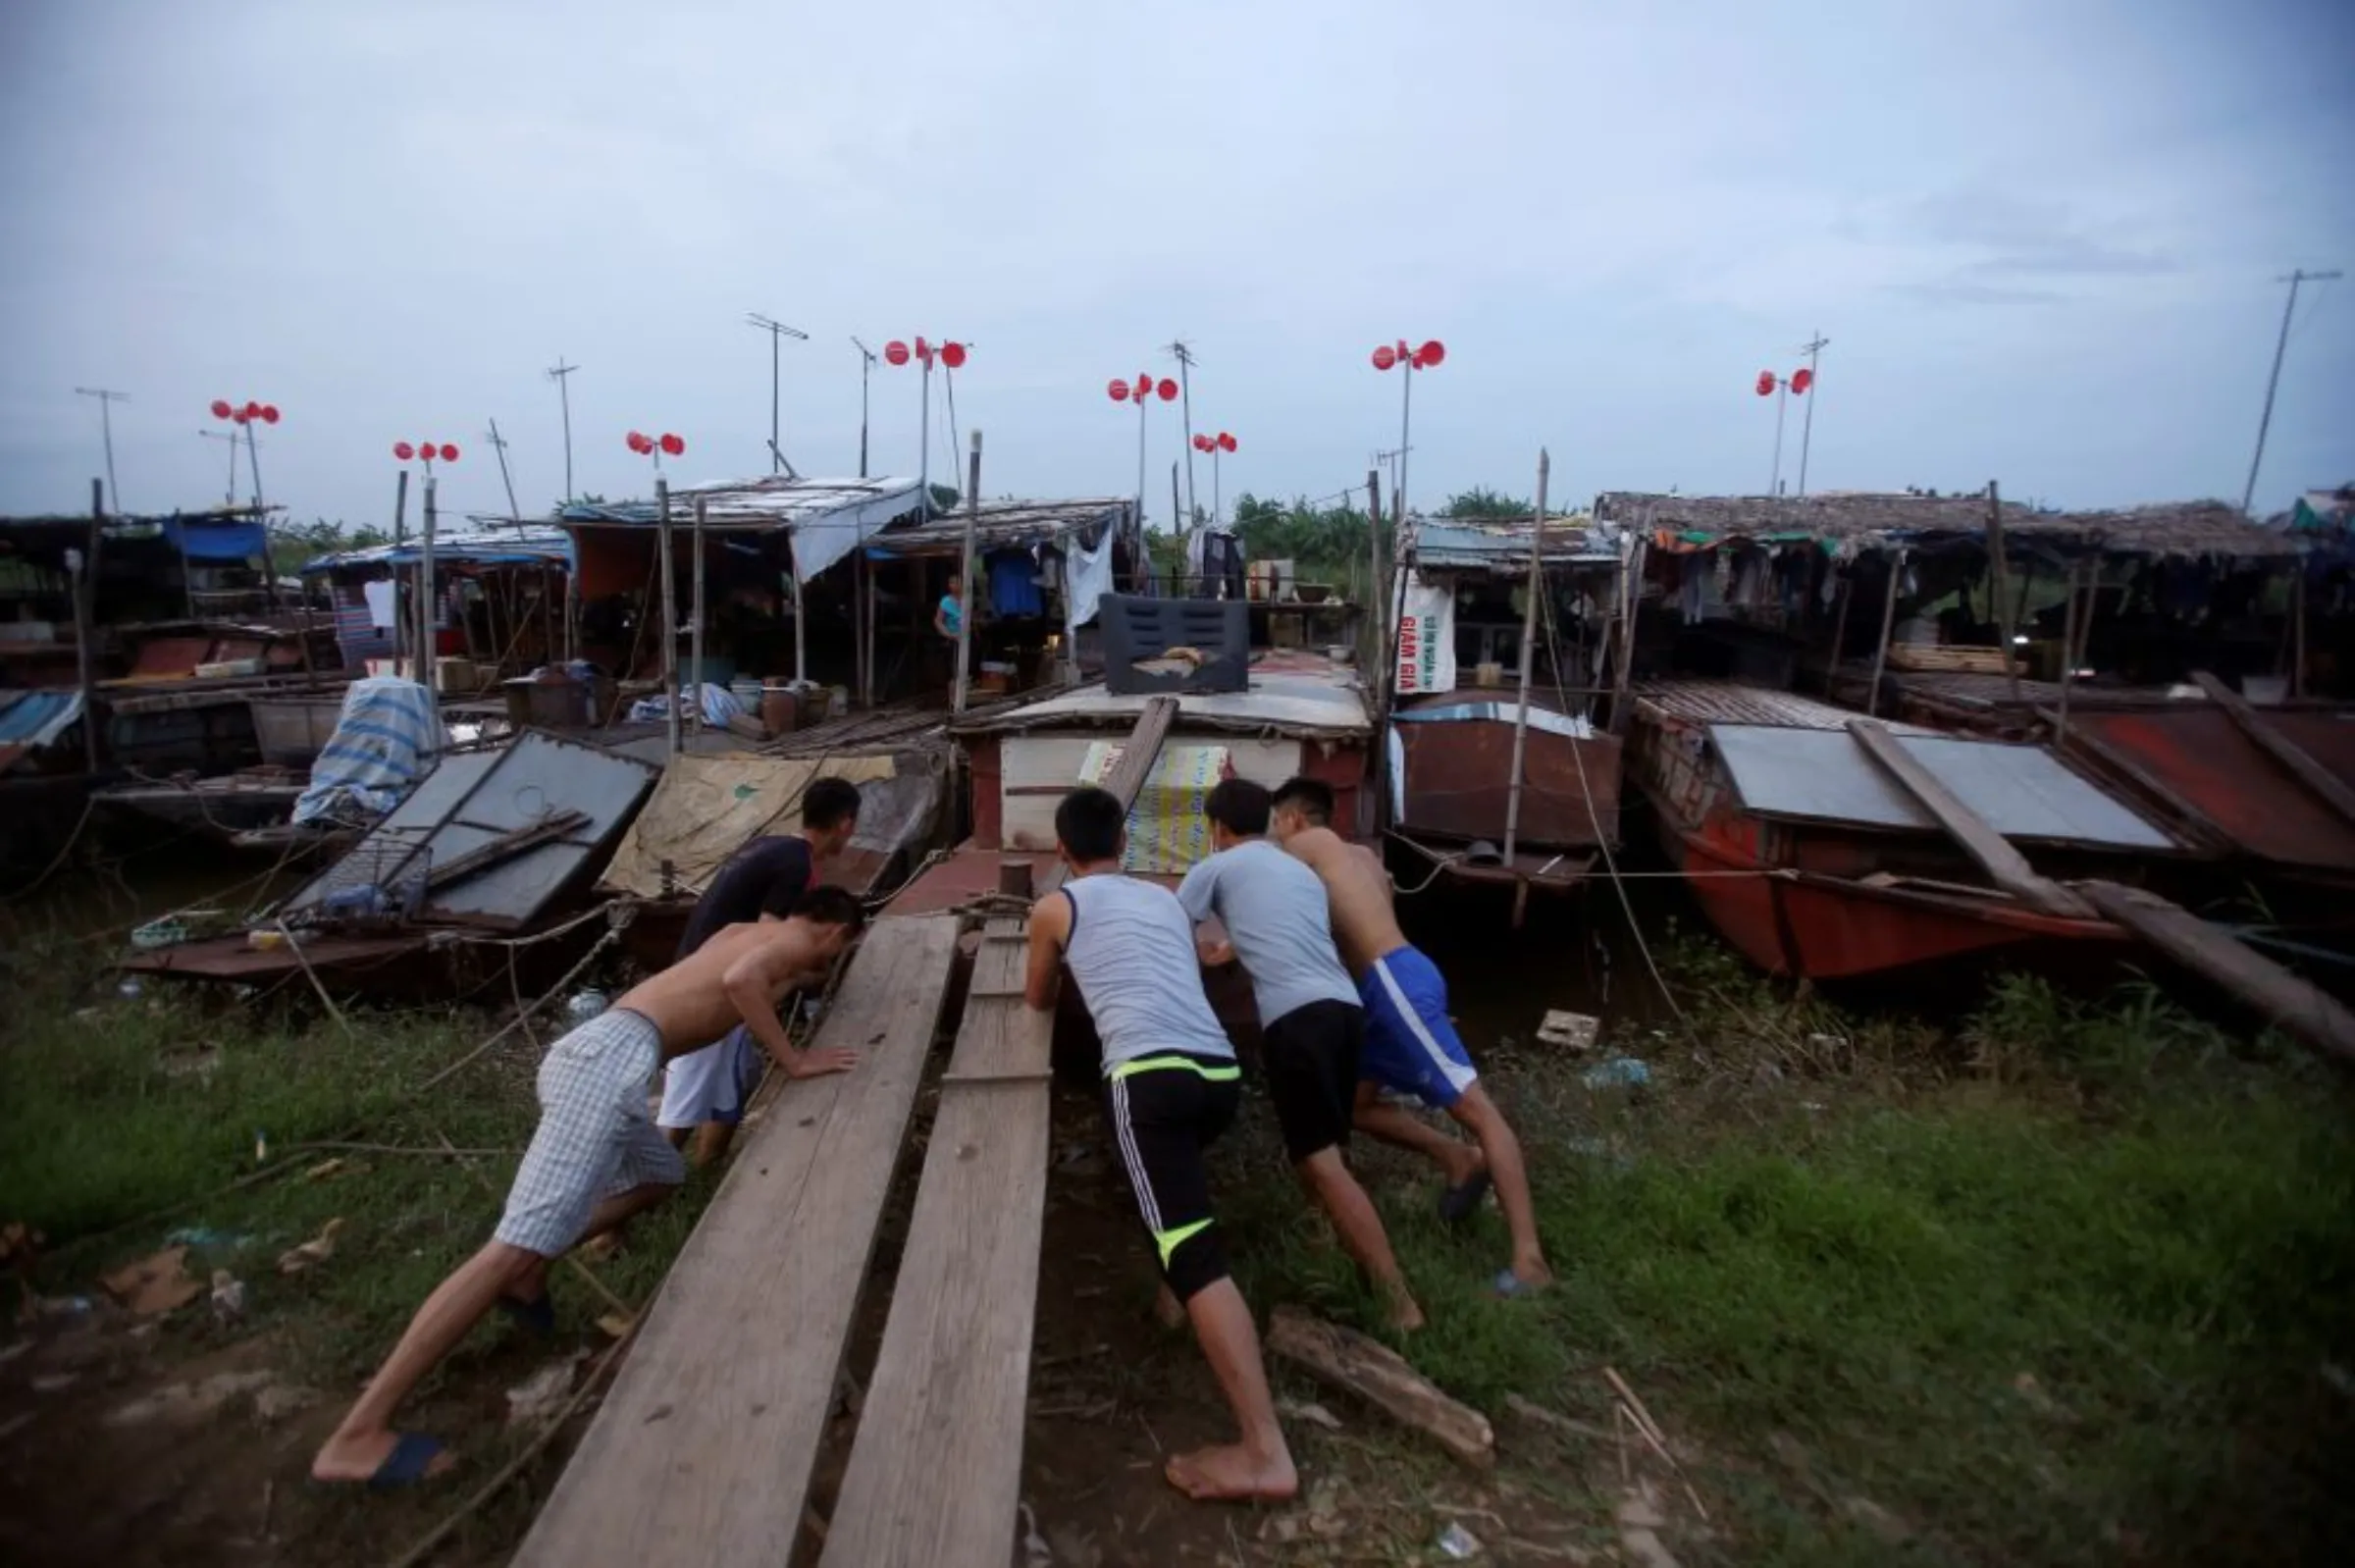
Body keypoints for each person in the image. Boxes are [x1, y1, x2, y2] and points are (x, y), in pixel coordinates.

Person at [310, 885, 867, 1489]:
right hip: (608, 1065)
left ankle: (530, 1273)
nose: (831, 961)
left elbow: (723, 977)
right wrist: (795, 1059)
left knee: (661, 1175)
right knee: (507, 1248)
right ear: (835, 932)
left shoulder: (746, 929)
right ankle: (357, 1434)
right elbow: (739, 983)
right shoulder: (785, 942)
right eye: (839, 951)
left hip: (608, 1050)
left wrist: (794, 983)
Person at [1026, 786, 1296, 1504]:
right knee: (1175, 1197)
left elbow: (1036, 999)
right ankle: (1174, 1305)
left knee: (1191, 1248)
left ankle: (1266, 1450)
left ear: (1061, 849)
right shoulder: (1165, 900)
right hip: (1218, 1076)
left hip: (1148, 1079)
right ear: (1125, 844)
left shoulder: (1058, 906)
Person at [1269, 777, 1551, 1296]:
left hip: (1392, 983)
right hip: (1392, 982)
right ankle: (1457, 1159)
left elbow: (1255, 870)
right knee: (1358, 1107)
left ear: (1293, 819)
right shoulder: (1362, 857)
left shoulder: (1307, 845)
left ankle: (1529, 1258)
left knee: (1477, 1109)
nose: (1277, 836)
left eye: (1277, 825)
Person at [1177, 779, 1423, 1331]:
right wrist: (1233, 947)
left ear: (1217, 829)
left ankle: (1397, 1299)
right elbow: (1284, 924)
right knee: (1324, 1147)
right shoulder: (1296, 870)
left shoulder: (1214, 868)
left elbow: (1170, 930)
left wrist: (1204, 957)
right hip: (1344, 1010)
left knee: (1322, 1162)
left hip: (1297, 1019)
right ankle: (1326, 1243)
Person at [657, 776, 864, 1165]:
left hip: (701, 967)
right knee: (684, 1100)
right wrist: (803, 988)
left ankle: (704, 1169)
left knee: (733, 1082)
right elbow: (768, 939)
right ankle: (622, 1210)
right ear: (846, 824)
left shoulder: (770, 846)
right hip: (709, 991)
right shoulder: (797, 865)